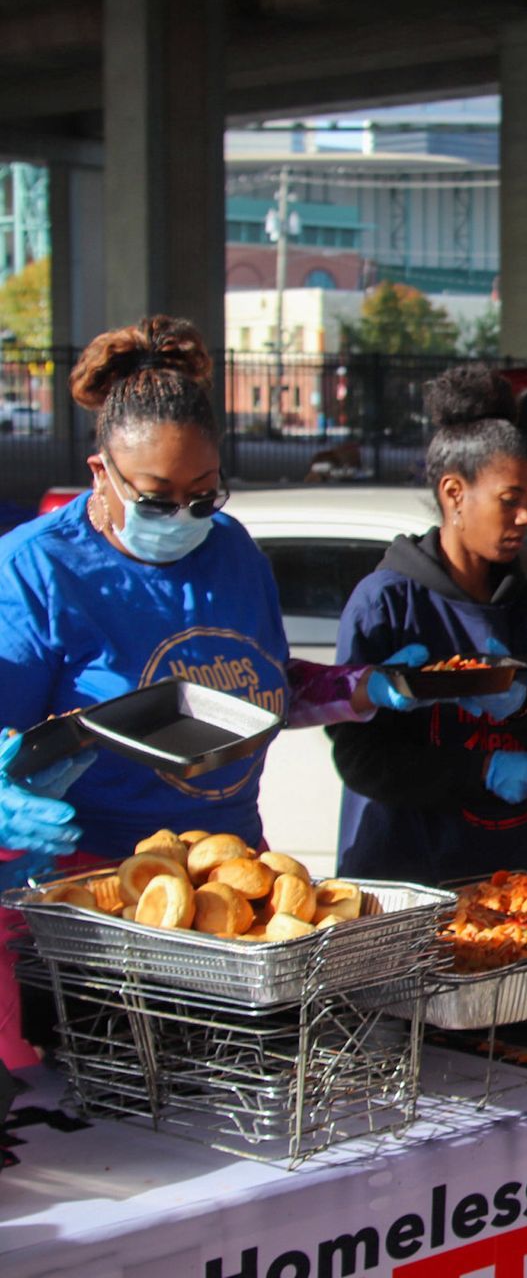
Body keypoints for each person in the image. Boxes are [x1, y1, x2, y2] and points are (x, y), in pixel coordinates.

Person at [0, 315, 437, 1064]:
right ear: (99, 471)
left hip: (237, 895)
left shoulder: (229, 548)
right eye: (158, 498)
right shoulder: (35, 570)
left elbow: (250, 689)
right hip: (98, 909)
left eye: (204, 495)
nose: (185, 518)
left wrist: (357, 688)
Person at [328, 409, 527, 883]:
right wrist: (483, 770)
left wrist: (520, 707)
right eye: (511, 500)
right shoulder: (388, 603)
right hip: (415, 878)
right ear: (454, 493)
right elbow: (360, 759)